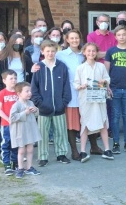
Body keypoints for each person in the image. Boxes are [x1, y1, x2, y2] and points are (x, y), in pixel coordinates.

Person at [31, 40, 72, 166]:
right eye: (47, 51)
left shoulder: (62, 66)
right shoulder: (38, 67)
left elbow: (66, 86)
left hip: (59, 108)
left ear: (56, 52)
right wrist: (40, 103)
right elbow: (34, 89)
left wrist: (63, 102)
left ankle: (61, 154)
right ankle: (43, 157)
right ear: (42, 52)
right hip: (44, 109)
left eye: (53, 51)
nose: (50, 53)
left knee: (60, 132)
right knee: (42, 133)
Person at [74, 43, 113, 161]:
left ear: (96, 53)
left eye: (93, 51)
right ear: (84, 52)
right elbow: (75, 84)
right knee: (85, 123)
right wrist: (81, 86)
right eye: (89, 51)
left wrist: (103, 82)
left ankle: (107, 149)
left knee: (103, 121)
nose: (91, 53)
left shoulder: (101, 66)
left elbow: (107, 79)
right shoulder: (80, 68)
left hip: (99, 98)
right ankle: (83, 151)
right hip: (86, 100)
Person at [104, 26, 126, 154]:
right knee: (115, 117)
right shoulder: (111, 51)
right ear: (115, 36)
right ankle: (115, 143)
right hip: (114, 88)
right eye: (119, 35)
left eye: (124, 34)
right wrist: (107, 87)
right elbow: (105, 71)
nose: (122, 37)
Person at [56, 29, 86, 162]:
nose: (75, 40)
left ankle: (93, 147)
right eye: (72, 38)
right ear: (67, 40)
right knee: (71, 124)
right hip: (70, 93)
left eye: (77, 38)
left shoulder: (84, 54)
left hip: (85, 93)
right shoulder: (60, 55)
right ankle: (74, 150)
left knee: (87, 120)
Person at [9, 82, 42, 178]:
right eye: (27, 91)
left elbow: (36, 114)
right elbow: (12, 118)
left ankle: (29, 167)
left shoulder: (31, 103)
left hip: (30, 130)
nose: (29, 93)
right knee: (21, 150)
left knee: (30, 149)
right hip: (21, 131)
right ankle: (20, 168)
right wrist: (25, 113)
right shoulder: (16, 105)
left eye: (30, 91)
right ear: (19, 93)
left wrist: (35, 110)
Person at [0, 71, 20, 175]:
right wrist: (7, 118)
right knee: (6, 144)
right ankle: (6, 164)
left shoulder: (18, 92)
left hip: (17, 124)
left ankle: (15, 163)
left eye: (15, 78)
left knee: (16, 144)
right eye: (11, 78)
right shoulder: (2, 93)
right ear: (4, 81)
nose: (13, 80)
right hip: (6, 124)